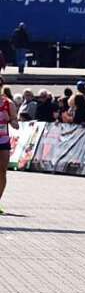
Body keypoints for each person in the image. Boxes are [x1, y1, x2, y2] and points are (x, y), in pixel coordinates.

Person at [0, 76, 20, 214]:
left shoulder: (8, 103)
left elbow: (16, 125)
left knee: (2, 172)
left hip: (3, 141)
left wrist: (9, 119)